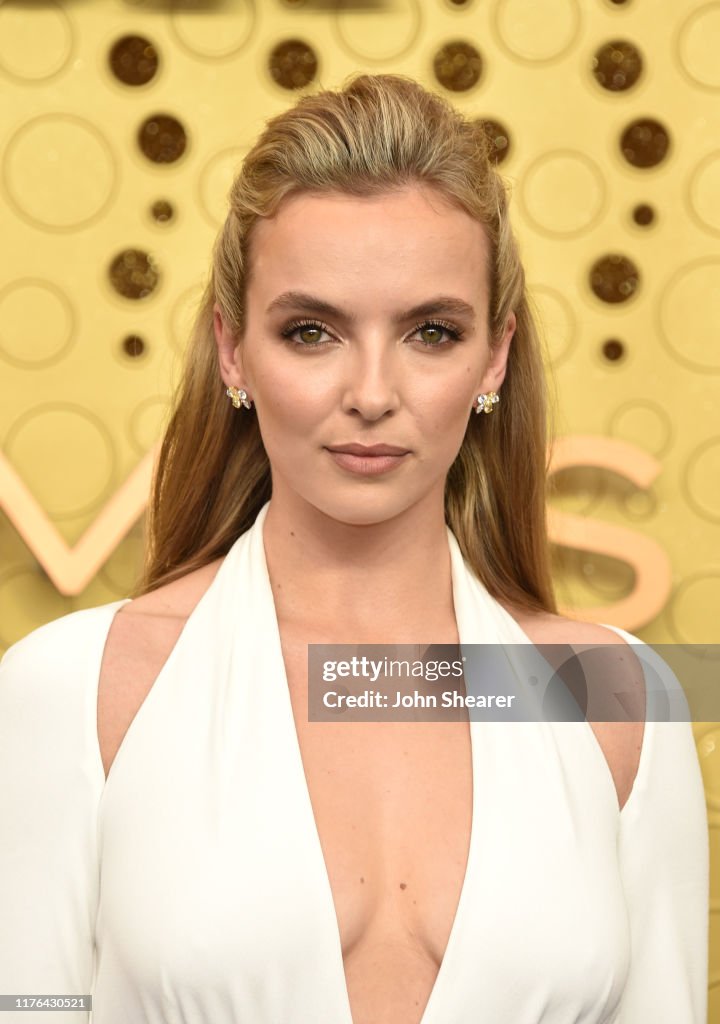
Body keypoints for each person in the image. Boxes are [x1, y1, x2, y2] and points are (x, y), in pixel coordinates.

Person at [0, 73, 708, 1024]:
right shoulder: (74, 689)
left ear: (493, 356)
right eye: (311, 331)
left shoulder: (617, 700)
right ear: (232, 350)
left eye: (430, 331)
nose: (372, 391)